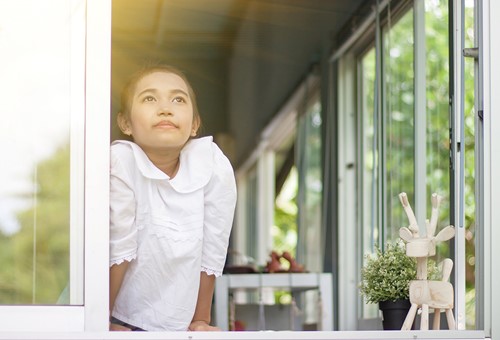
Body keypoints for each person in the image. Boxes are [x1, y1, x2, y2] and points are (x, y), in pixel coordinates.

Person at [109, 65, 237, 331]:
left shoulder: (213, 165)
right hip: (116, 314)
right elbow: (118, 245)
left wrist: (200, 320)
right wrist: (101, 321)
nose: (165, 108)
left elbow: (212, 249)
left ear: (194, 125)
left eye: (178, 99)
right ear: (125, 123)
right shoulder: (120, 161)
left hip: (177, 324)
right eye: (149, 98)